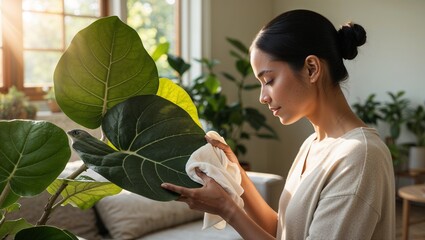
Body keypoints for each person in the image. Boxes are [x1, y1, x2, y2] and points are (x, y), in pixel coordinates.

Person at [161, 9, 396, 240]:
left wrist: (227, 210)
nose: (263, 97)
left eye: (269, 80)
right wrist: (237, 173)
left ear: (311, 68)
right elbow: (283, 231)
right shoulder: (313, 144)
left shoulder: (360, 156)